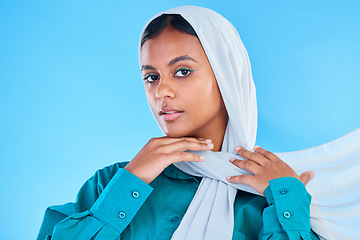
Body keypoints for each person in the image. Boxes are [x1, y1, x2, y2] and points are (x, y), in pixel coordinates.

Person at [37, 5, 360, 240]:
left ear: (227, 78)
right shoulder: (111, 183)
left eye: (182, 71)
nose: (161, 90)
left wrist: (286, 198)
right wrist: (130, 183)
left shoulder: (269, 196)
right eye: (151, 77)